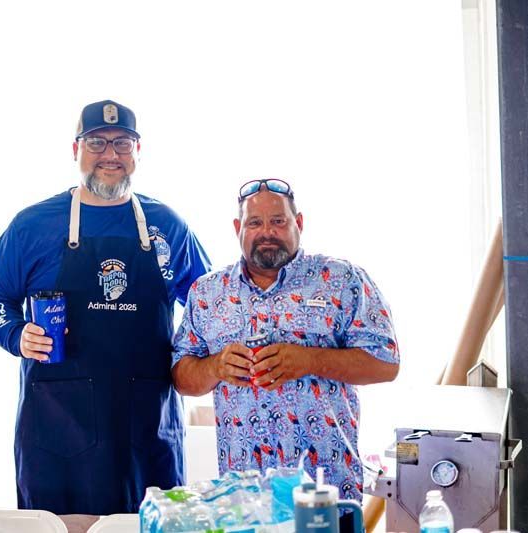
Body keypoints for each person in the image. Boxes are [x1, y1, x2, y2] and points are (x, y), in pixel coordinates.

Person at [0, 99, 211, 515]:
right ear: (76, 150)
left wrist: (206, 363)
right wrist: (17, 334)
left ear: (138, 150)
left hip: (147, 429)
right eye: (97, 143)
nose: (110, 154)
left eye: (122, 143)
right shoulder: (33, 225)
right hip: (58, 432)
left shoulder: (167, 226)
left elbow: (210, 305)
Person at [171, 179, 399, 532]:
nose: (267, 232)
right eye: (255, 222)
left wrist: (309, 360)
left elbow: (385, 363)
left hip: (328, 493)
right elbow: (181, 378)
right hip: (245, 503)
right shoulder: (207, 293)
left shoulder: (341, 279)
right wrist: (215, 366)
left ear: (299, 223)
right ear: (238, 228)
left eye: (278, 221)